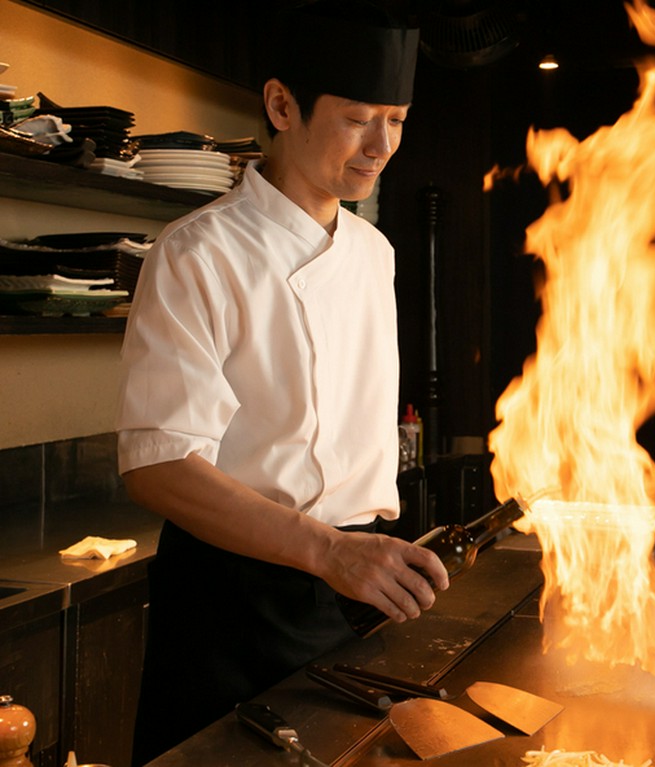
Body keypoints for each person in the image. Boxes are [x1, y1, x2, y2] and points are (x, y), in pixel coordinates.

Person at [114, 3, 448, 763]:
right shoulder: (196, 254)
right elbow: (157, 465)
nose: (382, 146)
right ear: (280, 105)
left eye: (397, 119)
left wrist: (356, 558)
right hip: (232, 599)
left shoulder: (374, 253)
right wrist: (326, 550)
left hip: (354, 592)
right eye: (360, 118)